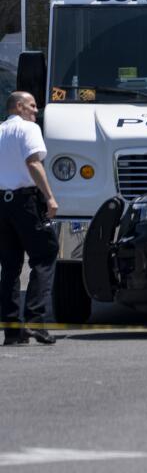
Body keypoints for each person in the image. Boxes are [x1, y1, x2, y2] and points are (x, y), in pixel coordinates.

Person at [0, 92, 59, 346]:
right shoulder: (28, 128)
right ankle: (36, 320)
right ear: (19, 106)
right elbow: (33, 163)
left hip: (2, 203)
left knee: (10, 266)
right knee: (45, 254)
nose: (36, 111)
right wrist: (49, 197)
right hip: (25, 202)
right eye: (33, 106)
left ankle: (12, 330)